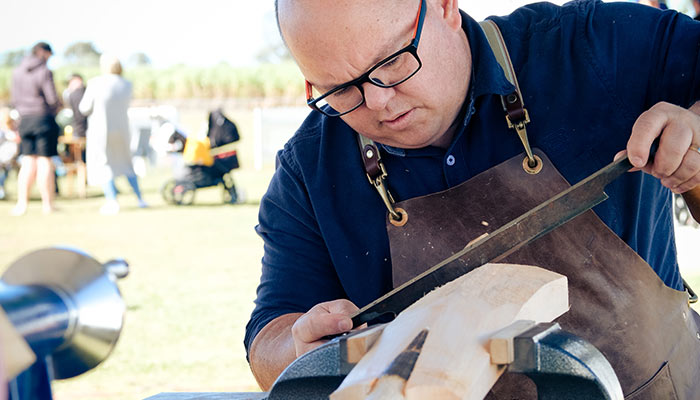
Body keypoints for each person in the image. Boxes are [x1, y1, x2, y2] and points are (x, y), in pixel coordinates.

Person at [246, 0, 700, 397]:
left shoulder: (593, 48)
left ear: (443, 6)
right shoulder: (307, 170)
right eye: (341, 89)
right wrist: (301, 350)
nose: (379, 102)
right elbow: (270, 337)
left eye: (392, 61)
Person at [79, 55, 147, 214]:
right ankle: (140, 198)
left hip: (101, 130)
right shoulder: (127, 84)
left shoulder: (96, 83)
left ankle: (112, 200)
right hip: (122, 130)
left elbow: (84, 108)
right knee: (126, 163)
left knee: (104, 164)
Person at [9, 42, 60, 215]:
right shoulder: (44, 71)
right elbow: (52, 99)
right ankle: (47, 205)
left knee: (28, 160)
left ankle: (22, 204)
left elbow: (14, 99)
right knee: (45, 160)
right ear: (42, 52)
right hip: (43, 119)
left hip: (25, 120)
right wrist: (56, 107)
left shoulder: (17, 72)